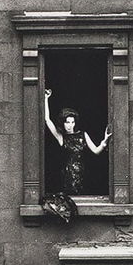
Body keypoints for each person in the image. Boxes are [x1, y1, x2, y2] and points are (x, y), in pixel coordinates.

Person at [40, 89, 109, 222]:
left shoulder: (83, 134)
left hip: (84, 173)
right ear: (63, 123)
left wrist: (104, 141)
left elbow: (96, 151)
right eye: (67, 122)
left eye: (72, 122)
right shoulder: (62, 137)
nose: (70, 125)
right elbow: (47, 120)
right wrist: (46, 99)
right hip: (67, 175)